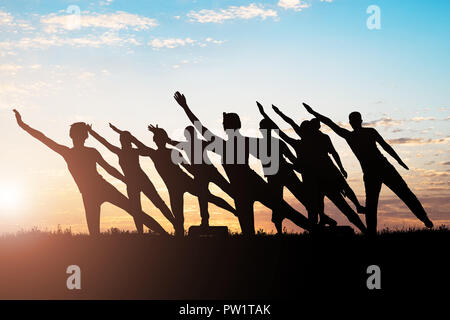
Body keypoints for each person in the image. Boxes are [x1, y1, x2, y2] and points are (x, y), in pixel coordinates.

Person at [173, 91, 313, 235]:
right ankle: (317, 230)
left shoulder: (224, 146)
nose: (222, 124)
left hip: (244, 188)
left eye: (224, 123)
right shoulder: (243, 142)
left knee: (272, 218)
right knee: (284, 212)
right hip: (247, 187)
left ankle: (317, 230)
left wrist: (185, 108)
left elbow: (200, 128)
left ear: (228, 125)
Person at [13, 110, 167, 236]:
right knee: (98, 232)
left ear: (81, 136)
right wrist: (22, 125)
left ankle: (166, 235)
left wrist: (125, 180)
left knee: (134, 211)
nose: (78, 137)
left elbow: (109, 169)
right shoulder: (70, 153)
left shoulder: (83, 152)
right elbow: (43, 138)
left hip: (101, 188)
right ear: (75, 136)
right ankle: (166, 236)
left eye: (79, 134)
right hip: (90, 194)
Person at [302, 103, 434, 235]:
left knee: (401, 195)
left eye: (355, 120)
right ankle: (373, 233)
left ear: (357, 122)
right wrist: (313, 112)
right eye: (354, 121)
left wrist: (399, 160)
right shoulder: (355, 135)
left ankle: (423, 218)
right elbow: (330, 123)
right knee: (379, 202)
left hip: (382, 168)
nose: (355, 123)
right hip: (375, 171)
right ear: (355, 122)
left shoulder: (362, 133)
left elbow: (385, 146)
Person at [108, 123, 236, 236]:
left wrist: (200, 177)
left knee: (206, 198)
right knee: (191, 209)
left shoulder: (159, 153)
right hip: (177, 186)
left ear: (157, 140)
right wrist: (122, 134)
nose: (156, 140)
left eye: (157, 138)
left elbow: (188, 168)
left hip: (183, 183)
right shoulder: (159, 153)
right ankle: (233, 211)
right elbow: (137, 143)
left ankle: (234, 211)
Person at [258, 104, 366, 233]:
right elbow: (282, 129)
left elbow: (280, 131)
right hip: (320, 184)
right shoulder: (312, 142)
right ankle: (364, 230)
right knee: (338, 209)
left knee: (326, 211)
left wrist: (266, 115)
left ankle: (362, 228)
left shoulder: (302, 144)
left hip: (319, 184)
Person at [87, 124, 176, 234]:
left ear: (128, 141)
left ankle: (175, 223)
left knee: (157, 203)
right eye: (121, 139)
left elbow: (143, 148)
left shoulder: (133, 151)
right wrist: (92, 132)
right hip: (132, 183)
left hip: (142, 180)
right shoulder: (124, 151)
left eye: (124, 139)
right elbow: (104, 142)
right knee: (137, 210)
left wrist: (94, 132)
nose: (122, 141)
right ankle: (141, 234)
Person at [167, 125, 234, 227]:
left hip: (209, 171)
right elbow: (171, 142)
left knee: (225, 188)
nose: (188, 137)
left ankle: (237, 205)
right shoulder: (187, 145)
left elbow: (214, 143)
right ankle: (205, 220)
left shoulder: (199, 143)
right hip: (200, 175)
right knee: (203, 198)